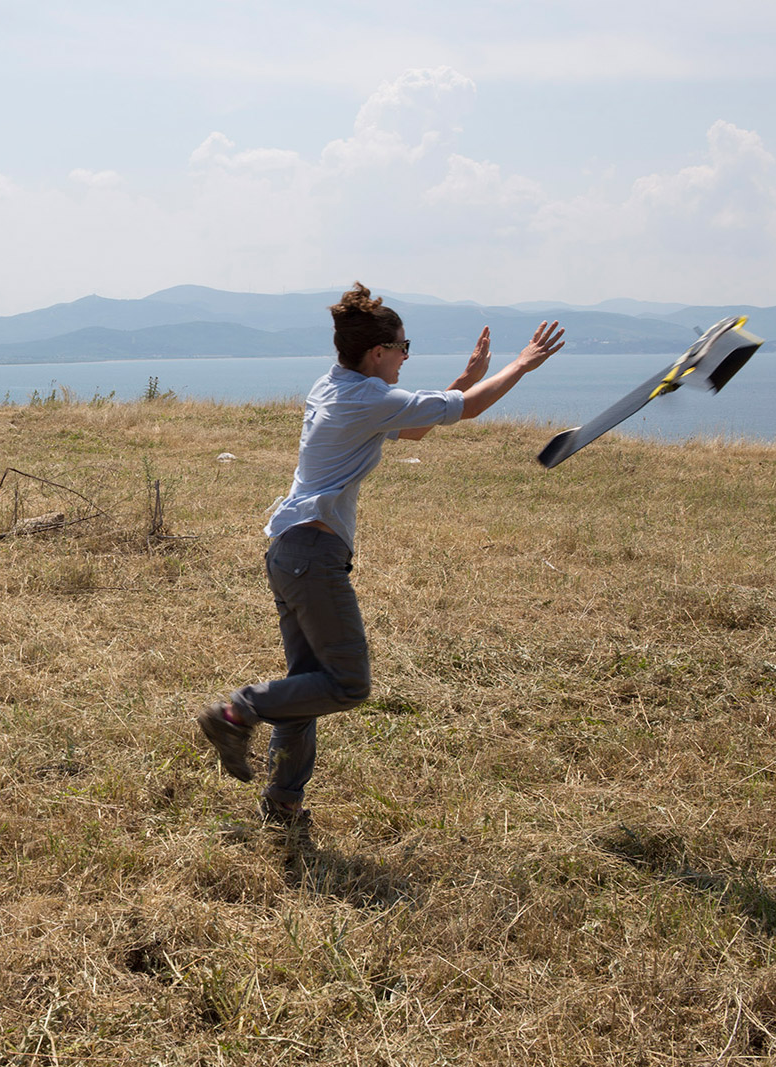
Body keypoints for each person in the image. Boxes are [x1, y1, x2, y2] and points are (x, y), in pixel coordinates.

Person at [197, 284, 566, 828]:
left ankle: (283, 803)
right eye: (402, 347)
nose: (405, 357)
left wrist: (465, 376)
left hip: (290, 552)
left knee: (304, 687)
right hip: (314, 555)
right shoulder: (367, 399)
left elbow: (415, 425)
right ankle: (236, 712)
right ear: (377, 353)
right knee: (347, 684)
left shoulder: (337, 385)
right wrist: (522, 364)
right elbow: (469, 410)